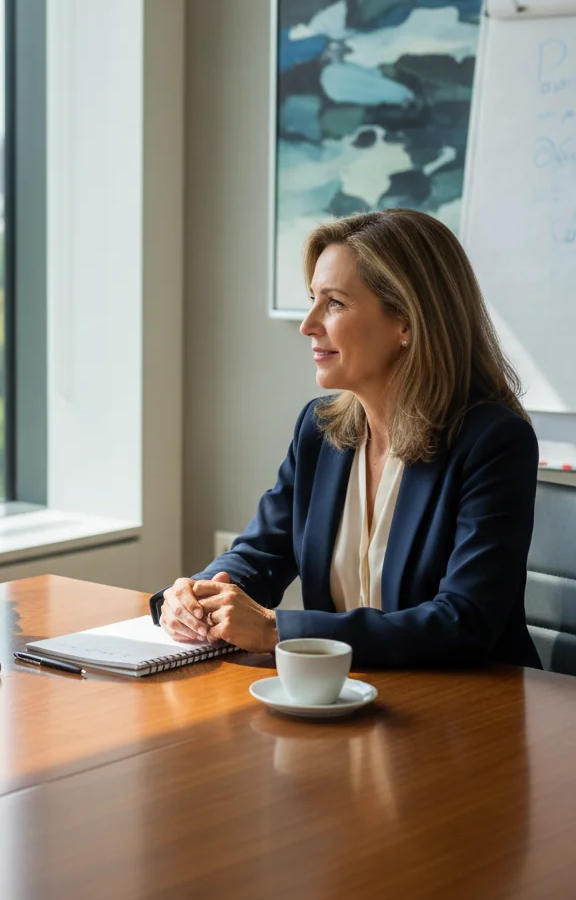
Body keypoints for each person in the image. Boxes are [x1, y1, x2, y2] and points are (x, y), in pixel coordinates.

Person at [153, 209, 541, 668]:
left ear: (407, 323)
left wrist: (278, 630)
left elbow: (464, 621)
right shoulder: (319, 430)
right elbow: (261, 553)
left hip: (467, 711)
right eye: (313, 299)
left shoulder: (493, 441)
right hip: (343, 699)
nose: (308, 324)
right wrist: (197, 598)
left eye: (334, 302)